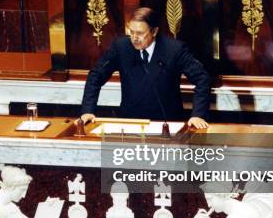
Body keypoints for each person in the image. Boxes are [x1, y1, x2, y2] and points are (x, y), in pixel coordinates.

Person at [81, 7, 211, 129]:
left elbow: (202, 78)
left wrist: (197, 115)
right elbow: (96, 75)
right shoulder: (121, 47)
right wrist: (88, 111)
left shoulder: (174, 49)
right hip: (130, 123)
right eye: (131, 32)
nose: (134, 38)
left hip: (167, 124)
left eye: (140, 33)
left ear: (154, 31)